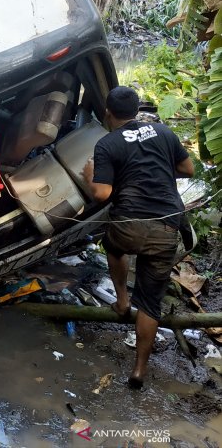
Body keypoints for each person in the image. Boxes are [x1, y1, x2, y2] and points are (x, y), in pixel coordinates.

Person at [83, 86, 194, 389]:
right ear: (136, 110)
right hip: (166, 227)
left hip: (129, 225)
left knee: (113, 246)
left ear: (108, 112)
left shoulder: (107, 144)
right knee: (150, 303)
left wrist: (89, 177)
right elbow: (188, 168)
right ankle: (139, 370)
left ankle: (121, 301)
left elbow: (102, 193)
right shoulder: (163, 131)